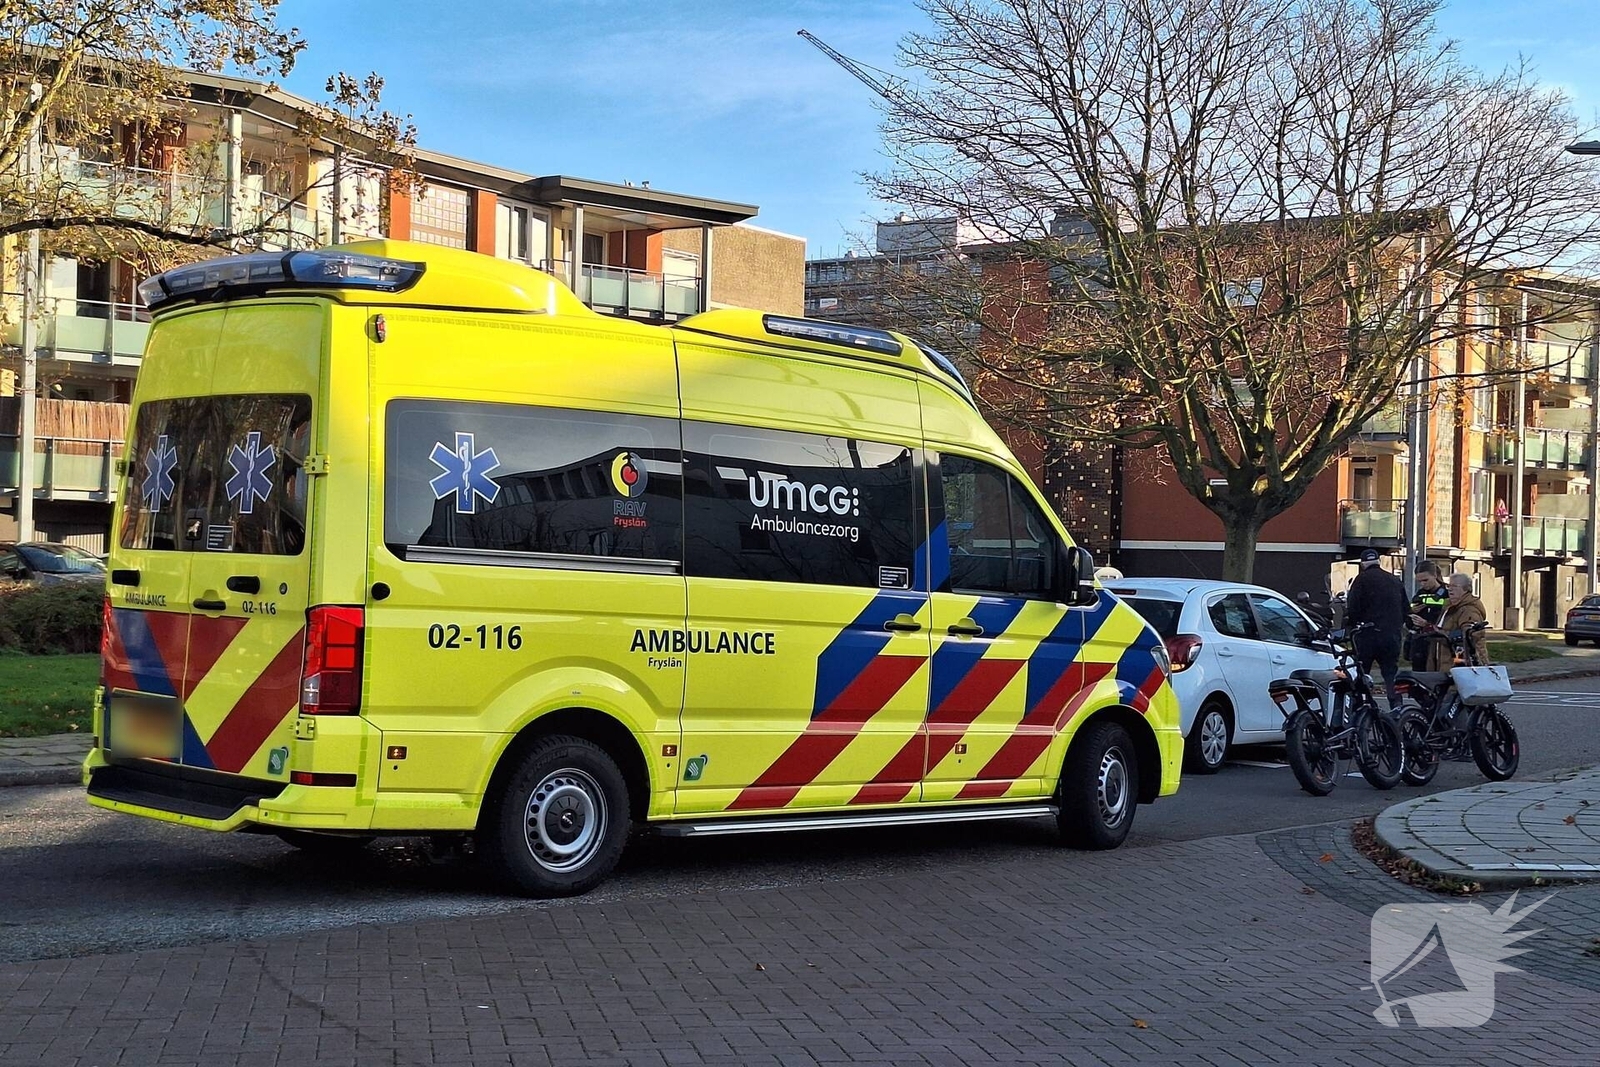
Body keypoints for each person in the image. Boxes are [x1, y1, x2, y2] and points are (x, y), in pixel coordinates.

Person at [1344, 548, 1407, 708]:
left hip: (1367, 635)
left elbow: (1353, 608)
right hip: (1391, 636)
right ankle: (1396, 706)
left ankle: (1361, 706)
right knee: (1390, 673)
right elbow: (1405, 608)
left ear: (1363, 564)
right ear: (1379, 561)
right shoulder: (1394, 580)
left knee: (1362, 672)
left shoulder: (1361, 580)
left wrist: (1351, 626)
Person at [1420, 573, 1492, 673]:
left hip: (1460, 666)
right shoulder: (1449, 607)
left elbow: (1470, 636)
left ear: (1466, 589)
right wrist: (1427, 626)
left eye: (1454, 586)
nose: (1450, 589)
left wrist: (1440, 633)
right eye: (1449, 586)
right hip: (1442, 662)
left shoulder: (1469, 610)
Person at [1405, 560, 1449, 671]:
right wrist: (1411, 612)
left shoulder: (1447, 594)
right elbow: (1409, 622)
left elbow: (1449, 621)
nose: (1423, 584)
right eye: (1419, 581)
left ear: (1435, 575)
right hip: (1419, 644)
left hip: (1439, 646)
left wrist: (1427, 624)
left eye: (1425, 580)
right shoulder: (1420, 594)